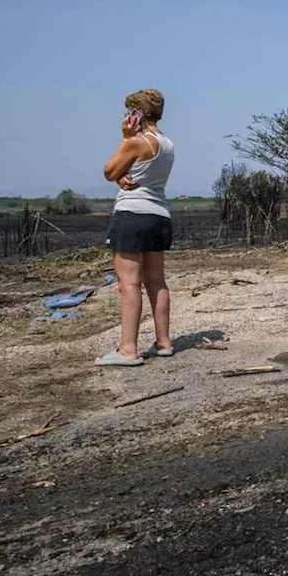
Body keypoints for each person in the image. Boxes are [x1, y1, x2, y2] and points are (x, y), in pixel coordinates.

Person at [96, 89, 177, 367]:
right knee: (157, 282)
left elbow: (109, 171)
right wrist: (121, 175)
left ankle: (127, 350)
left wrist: (125, 139)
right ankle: (164, 342)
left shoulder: (136, 142)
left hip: (132, 214)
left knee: (129, 284)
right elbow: (138, 172)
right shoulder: (166, 143)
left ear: (136, 114)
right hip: (159, 215)